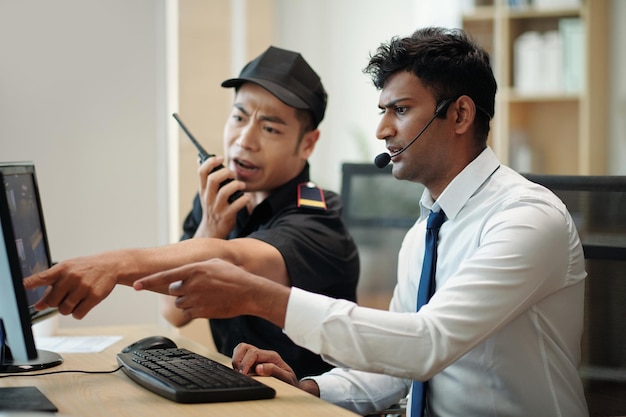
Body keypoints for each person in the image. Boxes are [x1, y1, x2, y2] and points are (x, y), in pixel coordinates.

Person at [127, 27, 589, 417]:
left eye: (401, 110)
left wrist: (260, 297)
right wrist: (311, 387)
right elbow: (398, 364)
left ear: (461, 114)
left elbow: (426, 344)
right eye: (382, 111)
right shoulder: (426, 231)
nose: (383, 130)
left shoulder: (527, 220)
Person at [24, 46, 360, 379]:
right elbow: (173, 311)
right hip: (241, 392)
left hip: (309, 402)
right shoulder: (218, 199)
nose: (245, 140)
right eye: (239, 117)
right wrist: (209, 229)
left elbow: (234, 262)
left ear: (308, 143)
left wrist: (114, 264)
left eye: (270, 129)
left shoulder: (318, 214)